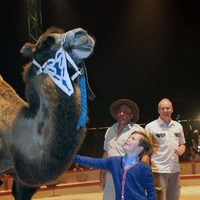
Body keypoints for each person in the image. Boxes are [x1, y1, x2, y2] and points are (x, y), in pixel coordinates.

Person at [74, 131, 156, 200]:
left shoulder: (144, 168)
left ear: (140, 148)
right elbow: (93, 162)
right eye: (129, 137)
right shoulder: (114, 162)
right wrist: (72, 156)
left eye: (133, 138)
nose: (128, 139)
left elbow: (151, 190)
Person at [100, 99, 147, 200]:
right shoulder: (110, 130)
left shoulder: (138, 131)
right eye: (120, 111)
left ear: (131, 115)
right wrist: (101, 176)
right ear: (116, 115)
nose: (122, 114)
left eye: (126, 111)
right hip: (111, 178)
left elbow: (145, 156)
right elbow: (106, 153)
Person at [145, 98, 186, 200]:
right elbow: (145, 151)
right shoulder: (150, 127)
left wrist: (182, 148)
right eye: (162, 108)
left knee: (174, 198)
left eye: (167, 108)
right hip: (158, 171)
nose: (165, 110)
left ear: (172, 109)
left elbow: (183, 144)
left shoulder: (178, 126)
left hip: (175, 170)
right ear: (158, 111)